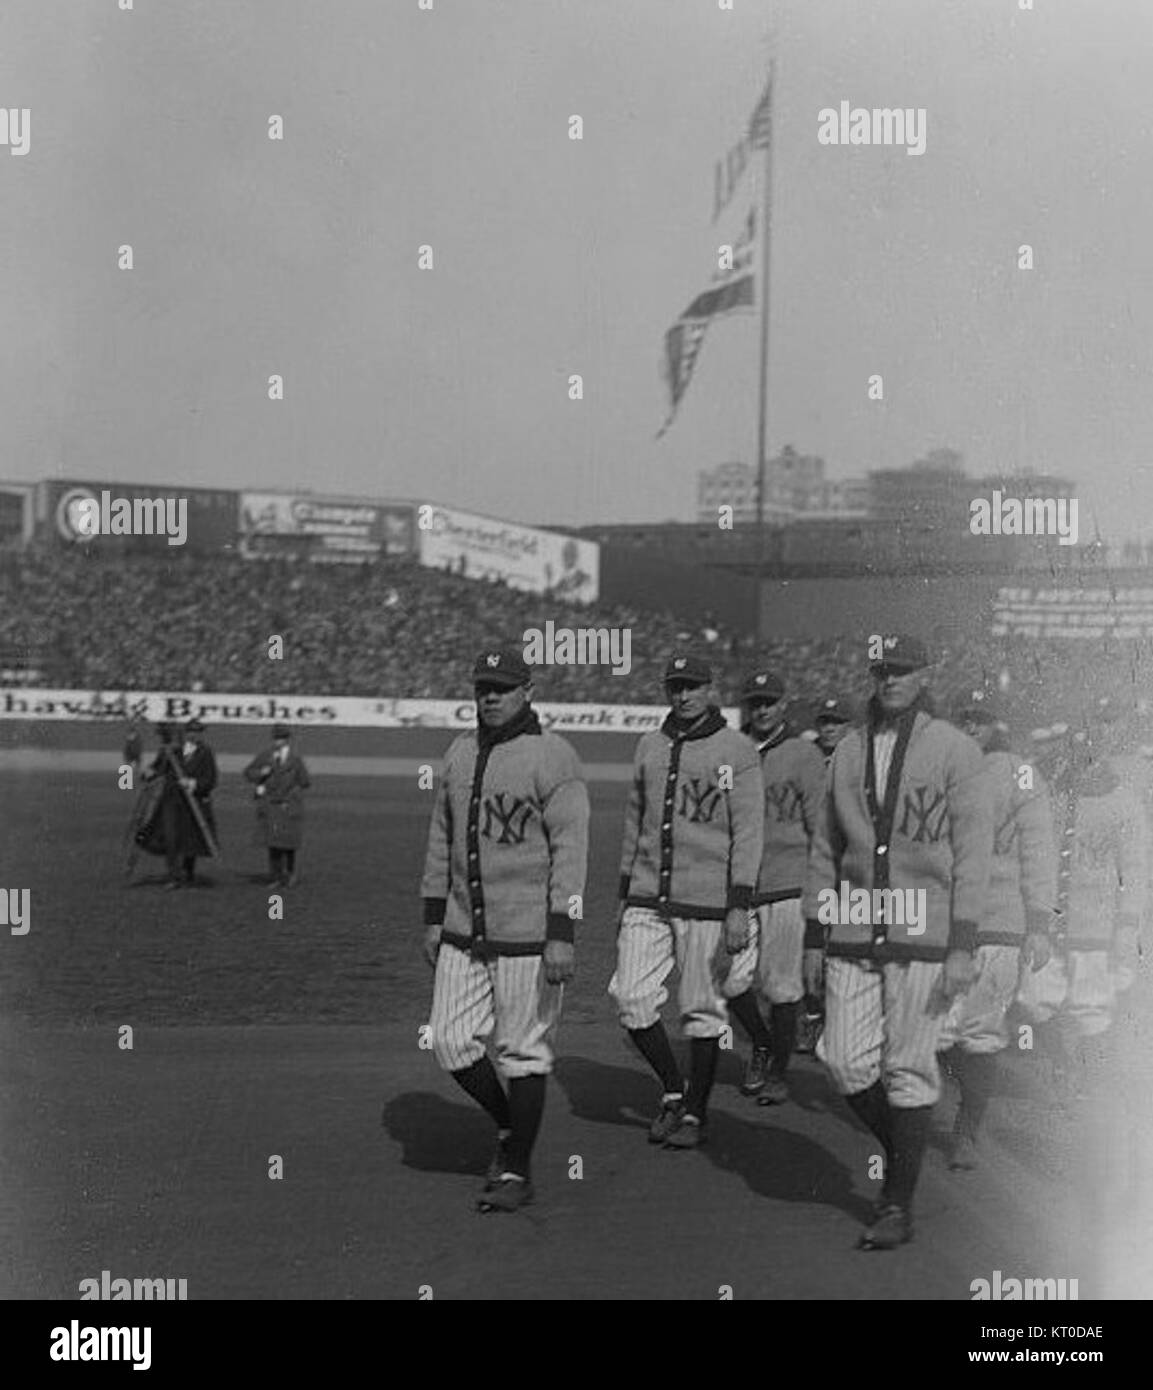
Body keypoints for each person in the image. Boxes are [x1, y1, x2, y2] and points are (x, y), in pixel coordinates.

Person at [802, 634, 993, 1250]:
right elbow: (825, 849)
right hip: (856, 924)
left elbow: (972, 854)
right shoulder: (849, 748)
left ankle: (896, 1203)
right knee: (843, 1059)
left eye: (904, 671)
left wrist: (963, 942)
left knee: (908, 1069)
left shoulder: (956, 750)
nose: (892, 681)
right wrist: (813, 933)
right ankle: (903, 1147)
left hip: (926, 933)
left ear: (925, 675)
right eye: (883, 670)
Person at [420, 646, 589, 1214]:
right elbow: (442, 838)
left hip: (529, 934)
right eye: (483, 687)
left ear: (528, 692)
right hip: (464, 927)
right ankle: (508, 1128)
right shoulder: (459, 752)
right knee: (449, 1039)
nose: (490, 697)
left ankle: (517, 1171)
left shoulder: (553, 756)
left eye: (503, 687)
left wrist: (562, 928)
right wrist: (432, 915)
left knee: (523, 1051)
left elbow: (571, 850)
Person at [610, 654, 764, 1149]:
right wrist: (624, 890)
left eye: (693, 687)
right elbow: (635, 822)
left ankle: (695, 1113)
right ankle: (673, 1091)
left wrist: (739, 903)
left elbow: (748, 831)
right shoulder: (649, 746)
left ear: (709, 689)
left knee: (702, 1008)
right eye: (676, 687)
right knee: (630, 996)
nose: (684, 695)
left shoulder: (735, 751)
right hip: (648, 893)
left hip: (709, 901)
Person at [936, 692, 1056, 1170]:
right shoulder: (946, 767)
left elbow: (1039, 850)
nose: (970, 727)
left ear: (999, 724)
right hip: (944, 920)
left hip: (1000, 921)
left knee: (979, 1032)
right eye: (963, 717)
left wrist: (1040, 923)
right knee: (933, 1028)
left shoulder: (1021, 773)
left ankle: (967, 1129)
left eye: (980, 720)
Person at [723, 670, 825, 1103]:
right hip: (740, 889)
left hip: (788, 884)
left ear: (784, 704)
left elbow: (820, 827)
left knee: (782, 986)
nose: (762, 709)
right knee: (728, 981)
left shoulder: (803, 754)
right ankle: (763, 1044)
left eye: (769, 701)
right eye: (755, 701)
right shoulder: (730, 751)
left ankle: (779, 1073)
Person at [138, 719, 219, 888]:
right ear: (186, 732)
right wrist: (147, 773)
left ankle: (188, 872)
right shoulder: (172, 751)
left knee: (191, 839)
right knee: (171, 838)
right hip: (171, 801)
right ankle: (173, 876)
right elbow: (157, 769)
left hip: (194, 803)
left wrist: (193, 783)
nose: (194, 735)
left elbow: (210, 780)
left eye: (198, 732)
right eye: (191, 731)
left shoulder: (206, 753)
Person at [244, 724, 310, 887]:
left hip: (288, 805)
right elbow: (248, 772)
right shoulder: (265, 756)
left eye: (281, 739)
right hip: (271, 805)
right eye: (276, 738)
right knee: (273, 843)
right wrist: (261, 774)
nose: (278, 742)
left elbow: (305, 781)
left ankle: (289, 873)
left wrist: (294, 793)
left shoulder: (295, 760)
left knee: (288, 843)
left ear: (287, 740)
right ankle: (275, 876)